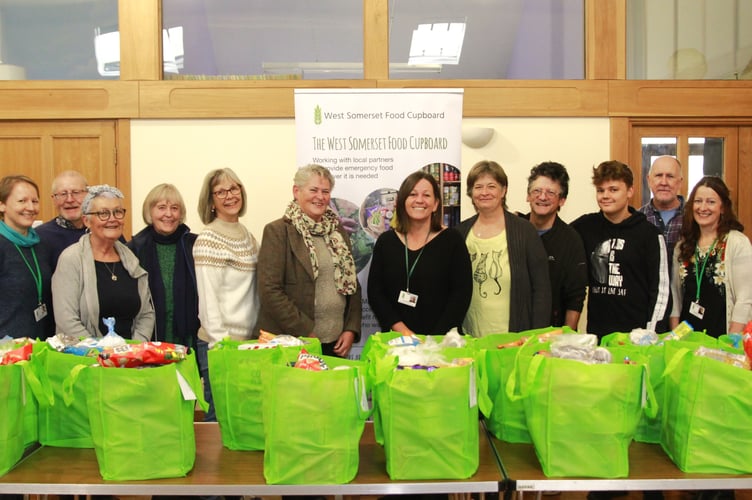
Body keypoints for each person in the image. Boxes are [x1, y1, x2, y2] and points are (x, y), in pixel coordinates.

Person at [254, 164, 361, 357]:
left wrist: (350, 328)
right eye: (313, 190)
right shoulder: (278, 232)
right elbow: (270, 290)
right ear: (297, 191)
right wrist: (307, 332)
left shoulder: (338, 232)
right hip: (294, 342)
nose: (320, 197)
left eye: (325, 191)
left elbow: (352, 282)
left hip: (335, 341)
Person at [572, 160, 670, 338]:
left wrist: (650, 333)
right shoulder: (584, 227)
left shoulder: (650, 235)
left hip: (637, 337)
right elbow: (557, 233)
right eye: (601, 190)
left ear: (630, 191)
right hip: (597, 336)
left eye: (613, 189)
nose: (605, 195)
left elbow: (661, 290)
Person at [367, 170, 472, 335]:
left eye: (427, 195)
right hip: (398, 340)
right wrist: (404, 332)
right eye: (413, 194)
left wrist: (435, 339)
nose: (419, 200)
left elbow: (461, 294)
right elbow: (376, 292)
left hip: (441, 343)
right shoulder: (386, 242)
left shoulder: (452, 240)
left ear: (436, 203)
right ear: (402, 201)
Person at [455, 160, 551, 336]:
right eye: (478, 187)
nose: (484, 192)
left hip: (514, 338)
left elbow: (542, 289)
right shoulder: (460, 233)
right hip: (469, 336)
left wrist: (538, 336)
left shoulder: (524, 231)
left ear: (503, 190)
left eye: (491, 186)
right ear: (471, 192)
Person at [194, 168, 259, 421]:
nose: (230, 195)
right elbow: (208, 302)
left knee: (242, 420)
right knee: (219, 421)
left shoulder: (247, 236)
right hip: (220, 345)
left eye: (234, 188)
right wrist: (222, 347)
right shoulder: (208, 239)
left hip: (248, 344)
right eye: (221, 191)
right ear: (211, 201)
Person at [52, 185, 154, 339]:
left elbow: (146, 314)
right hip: (87, 357)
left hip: (131, 358)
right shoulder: (71, 259)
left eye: (118, 212)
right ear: (87, 221)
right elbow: (66, 320)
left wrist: (134, 351)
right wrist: (102, 354)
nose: (112, 219)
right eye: (103, 213)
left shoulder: (130, 258)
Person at [670, 176, 752, 337]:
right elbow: (675, 296)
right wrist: (674, 336)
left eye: (711, 202)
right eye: (698, 201)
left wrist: (730, 342)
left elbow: (745, 299)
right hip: (687, 339)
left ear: (723, 208)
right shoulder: (682, 246)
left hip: (722, 339)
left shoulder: (737, 243)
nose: (703, 207)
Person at [127, 183, 199, 348]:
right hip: (148, 338)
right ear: (149, 212)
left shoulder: (195, 245)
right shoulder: (134, 249)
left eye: (174, 208)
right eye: (161, 207)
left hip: (188, 337)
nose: (168, 214)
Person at [521, 161, 587, 330]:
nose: (542, 197)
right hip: (512, 329)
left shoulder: (571, 240)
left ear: (562, 200)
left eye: (550, 192)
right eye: (536, 191)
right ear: (528, 196)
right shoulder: (514, 230)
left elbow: (576, 296)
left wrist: (566, 337)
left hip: (551, 332)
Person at [0, 175, 54, 339]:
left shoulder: (41, 244)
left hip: (39, 344)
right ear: (2, 205)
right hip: (6, 350)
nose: (30, 207)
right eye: (22, 201)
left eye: (35, 201)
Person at [35, 170, 89, 267]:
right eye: (63, 194)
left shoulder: (102, 230)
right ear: (54, 199)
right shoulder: (39, 237)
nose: (70, 199)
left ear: (88, 195)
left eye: (76, 192)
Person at [639, 155, 684, 266]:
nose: (664, 182)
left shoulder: (694, 219)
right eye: (658, 175)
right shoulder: (637, 219)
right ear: (649, 180)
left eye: (670, 176)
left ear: (680, 182)